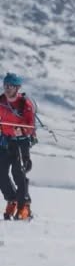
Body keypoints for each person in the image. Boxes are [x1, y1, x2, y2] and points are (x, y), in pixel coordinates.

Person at [0, 73, 38, 221]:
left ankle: (24, 206)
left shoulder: (24, 104)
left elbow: (31, 126)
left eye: (10, 86)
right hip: (5, 141)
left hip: (21, 143)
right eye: (5, 85)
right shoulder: (1, 101)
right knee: (1, 173)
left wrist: (22, 130)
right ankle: (12, 200)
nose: (7, 88)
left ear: (17, 88)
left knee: (18, 174)